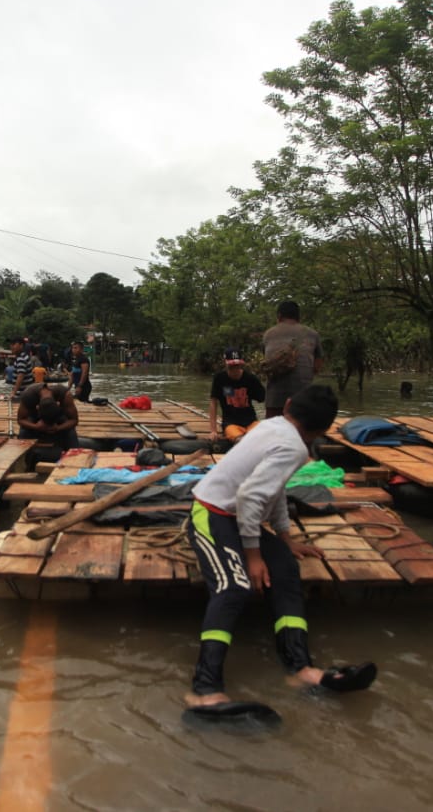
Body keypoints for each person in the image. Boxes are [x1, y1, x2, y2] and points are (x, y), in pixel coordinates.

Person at [186, 384, 376, 708]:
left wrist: (286, 540)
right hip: (211, 513)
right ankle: (203, 689)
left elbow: (273, 492)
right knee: (234, 587)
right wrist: (253, 556)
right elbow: (250, 496)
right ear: (323, 431)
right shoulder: (293, 447)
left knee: (286, 568)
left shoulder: (272, 425)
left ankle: (300, 668)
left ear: (287, 405)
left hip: (238, 517)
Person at [262, 301, 323, 419]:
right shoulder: (312, 334)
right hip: (303, 399)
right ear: (299, 317)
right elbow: (317, 366)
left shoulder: (268, 334)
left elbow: (267, 362)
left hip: (274, 400)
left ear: (279, 316)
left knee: (274, 429)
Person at [208, 348, 266, 443]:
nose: (234, 369)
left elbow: (263, 398)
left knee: (260, 438)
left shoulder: (251, 379)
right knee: (240, 440)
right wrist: (213, 430)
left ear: (241, 365)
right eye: (231, 366)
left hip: (251, 422)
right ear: (226, 364)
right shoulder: (220, 378)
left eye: (237, 366)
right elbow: (213, 402)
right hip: (231, 424)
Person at [17, 382, 79, 450]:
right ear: (37, 407)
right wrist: (36, 426)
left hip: (58, 418)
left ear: (58, 404)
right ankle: (23, 453)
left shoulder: (65, 395)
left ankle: (74, 452)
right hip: (35, 418)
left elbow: (74, 420)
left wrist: (58, 428)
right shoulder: (28, 395)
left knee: (70, 431)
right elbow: (20, 420)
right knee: (24, 431)